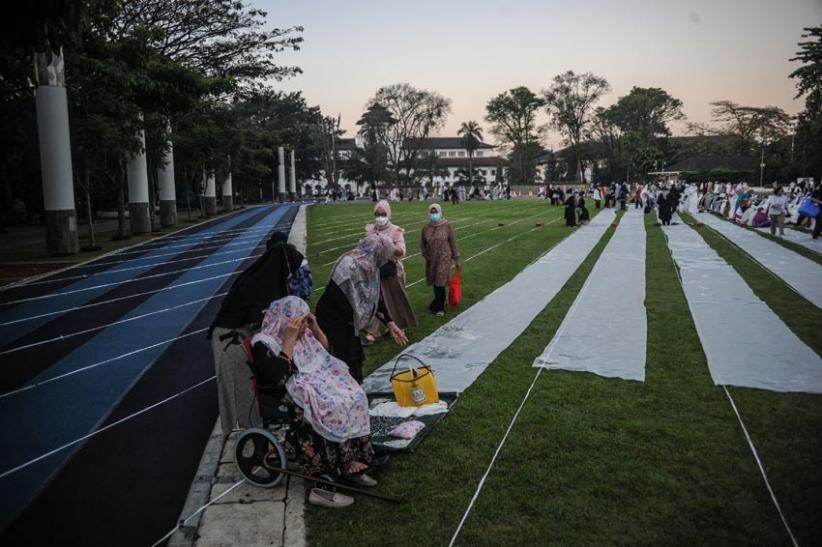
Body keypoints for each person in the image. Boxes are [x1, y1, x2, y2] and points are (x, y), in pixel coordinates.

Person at [249, 296, 376, 508]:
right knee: (328, 406)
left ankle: (350, 460)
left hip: (317, 380)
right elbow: (277, 378)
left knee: (354, 396)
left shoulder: (304, 333)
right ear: (285, 321)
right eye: (300, 323)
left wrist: (314, 327)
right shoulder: (264, 343)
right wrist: (289, 341)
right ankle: (322, 482)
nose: (303, 329)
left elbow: (324, 350)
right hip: (287, 389)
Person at [210, 232, 312, 435]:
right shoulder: (259, 286)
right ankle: (255, 439)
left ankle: (258, 434)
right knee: (246, 395)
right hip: (230, 340)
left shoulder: (270, 278)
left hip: (245, 334)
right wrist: (288, 340)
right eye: (292, 273)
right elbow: (264, 330)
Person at [315, 234, 408, 383]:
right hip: (333, 320)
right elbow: (337, 297)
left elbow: (374, 298)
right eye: (386, 254)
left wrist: (390, 323)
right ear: (379, 252)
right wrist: (357, 318)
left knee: (354, 359)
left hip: (350, 321)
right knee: (341, 362)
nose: (386, 259)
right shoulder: (348, 266)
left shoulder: (372, 268)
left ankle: (354, 387)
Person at [363, 200, 417, 344]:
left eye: (383, 214)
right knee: (373, 300)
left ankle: (400, 327)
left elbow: (402, 251)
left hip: (392, 271)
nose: (380, 217)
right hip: (374, 270)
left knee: (395, 299)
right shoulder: (370, 230)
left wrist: (389, 246)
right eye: (377, 214)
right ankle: (372, 331)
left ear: (388, 214)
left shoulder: (395, 230)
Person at [421, 203, 461, 316]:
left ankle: (440, 308)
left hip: (444, 257)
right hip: (431, 258)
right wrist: (425, 254)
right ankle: (436, 303)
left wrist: (457, 258)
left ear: (440, 212)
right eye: (432, 212)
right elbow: (423, 243)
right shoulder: (426, 227)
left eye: (436, 212)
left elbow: (453, 242)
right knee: (435, 281)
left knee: (440, 280)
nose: (434, 214)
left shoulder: (446, 225)